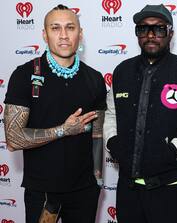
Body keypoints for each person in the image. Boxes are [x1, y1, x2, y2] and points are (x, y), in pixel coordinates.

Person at [103, 4, 177, 223]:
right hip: (128, 190)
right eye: (143, 29)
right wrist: (112, 142)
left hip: (171, 190)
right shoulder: (121, 71)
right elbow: (111, 115)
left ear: (170, 33)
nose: (150, 35)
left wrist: (174, 150)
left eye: (159, 29)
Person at [4, 4, 106, 223]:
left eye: (70, 28)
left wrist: (98, 179)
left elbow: (97, 135)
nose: (63, 35)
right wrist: (63, 130)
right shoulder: (25, 75)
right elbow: (12, 139)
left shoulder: (95, 79)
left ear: (80, 33)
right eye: (55, 28)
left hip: (85, 191)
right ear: (44, 34)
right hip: (43, 192)